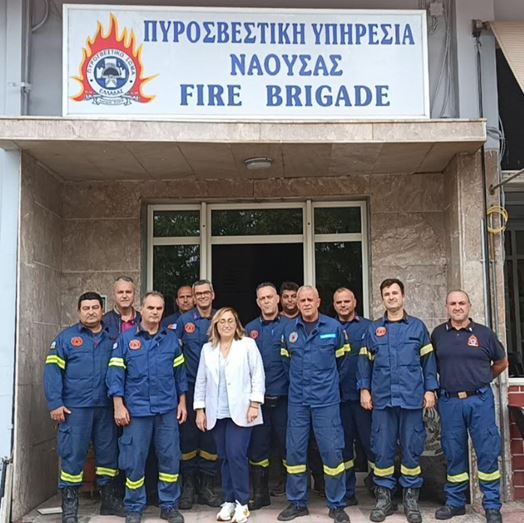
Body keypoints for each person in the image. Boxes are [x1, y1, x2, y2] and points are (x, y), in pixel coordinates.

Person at [358, 278, 438, 523]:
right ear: (382, 298)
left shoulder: (417, 327)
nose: (391, 297)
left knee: (412, 450)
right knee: (382, 451)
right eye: (387, 294)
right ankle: (384, 500)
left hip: (411, 399)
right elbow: (364, 363)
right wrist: (364, 390)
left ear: (403, 296)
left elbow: (429, 362)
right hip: (382, 401)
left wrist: (430, 390)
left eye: (395, 293)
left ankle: (410, 500)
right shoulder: (374, 329)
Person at [106, 291, 188, 523]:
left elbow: (180, 375)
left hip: (167, 409)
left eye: (159, 308)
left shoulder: (171, 340)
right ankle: (134, 507)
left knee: (170, 458)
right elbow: (115, 375)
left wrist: (182, 403)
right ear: (141, 309)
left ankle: (169, 505)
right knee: (134, 460)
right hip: (137, 411)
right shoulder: (125, 340)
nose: (155, 312)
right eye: (150, 308)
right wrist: (118, 405)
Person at [44, 292, 124, 523]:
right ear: (79, 311)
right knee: (73, 456)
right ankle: (70, 507)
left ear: (102, 311)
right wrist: (55, 403)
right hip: (75, 409)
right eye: (86, 308)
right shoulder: (66, 339)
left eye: (95, 307)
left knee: (108, 456)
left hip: (106, 408)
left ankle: (108, 500)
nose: (91, 312)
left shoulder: (112, 340)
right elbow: (52, 373)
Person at [431, 290, 508, 523]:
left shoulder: (484, 334)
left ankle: (491, 506)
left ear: (469, 306)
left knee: (487, 452)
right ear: (447, 307)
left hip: (479, 400)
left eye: (461, 303)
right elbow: (431, 366)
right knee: (453, 452)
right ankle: (455, 503)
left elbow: (502, 362)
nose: (457, 307)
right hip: (450, 401)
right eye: (453, 303)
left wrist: (482, 379)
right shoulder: (438, 335)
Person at [278, 286, 350, 523]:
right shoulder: (289, 330)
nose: (306, 303)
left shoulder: (333, 327)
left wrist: (328, 385)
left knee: (332, 452)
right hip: (298, 401)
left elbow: (343, 363)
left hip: (326, 401)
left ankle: (336, 504)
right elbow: (286, 364)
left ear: (318, 301)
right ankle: (297, 503)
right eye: (302, 300)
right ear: (297, 304)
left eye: (310, 299)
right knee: (295, 452)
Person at [194, 307, 266, 523]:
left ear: (236, 324)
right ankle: (229, 500)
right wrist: (200, 410)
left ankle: (242, 503)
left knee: (236, 455)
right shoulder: (208, 349)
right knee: (224, 456)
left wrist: (255, 404)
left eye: (230, 321)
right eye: (222, 321)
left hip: (242, 410)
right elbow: (201, 380)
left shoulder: (247, 344)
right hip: (217, 412)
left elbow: (258, 375)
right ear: (215, 325)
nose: (226, 325)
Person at [175, 280, 221, 508]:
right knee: (188, 438)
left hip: (216, 390)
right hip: (191, 388)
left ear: (213, 295)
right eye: (198, 293)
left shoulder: (222, 318)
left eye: (206, 293)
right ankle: (188, 486)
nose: (202, 296)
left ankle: (207, 487)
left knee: (210, 438)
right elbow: (175, 357)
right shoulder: (184, 322)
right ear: (193, 298)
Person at [245, 283, 290, 510]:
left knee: (289, 447)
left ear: (278, 299)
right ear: (257, 302)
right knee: (258, 448)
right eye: (262, 298)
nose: (266, 301)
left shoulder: (292, 326)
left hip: (286, 399)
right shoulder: (249, 329)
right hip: (258, 402)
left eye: (270, 297)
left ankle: (294, 496)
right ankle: (260, 494)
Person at [333, 287, 374, 505]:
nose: (343, 305)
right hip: (338, 399)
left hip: (364, 399)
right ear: (334, 305)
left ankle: (379, 489)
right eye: (339, 302)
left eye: (346, 301)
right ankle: (348, 492)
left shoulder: (369, 327)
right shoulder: (329, 328)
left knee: (371, 444)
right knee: (344, 447)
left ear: (355, 302)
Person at [104, 275, 141, 341]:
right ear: (114, 295)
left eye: (128, 292)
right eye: (120, 292)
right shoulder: (104, 321)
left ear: (134, 294)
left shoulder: (142, 320)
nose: (124, 296)